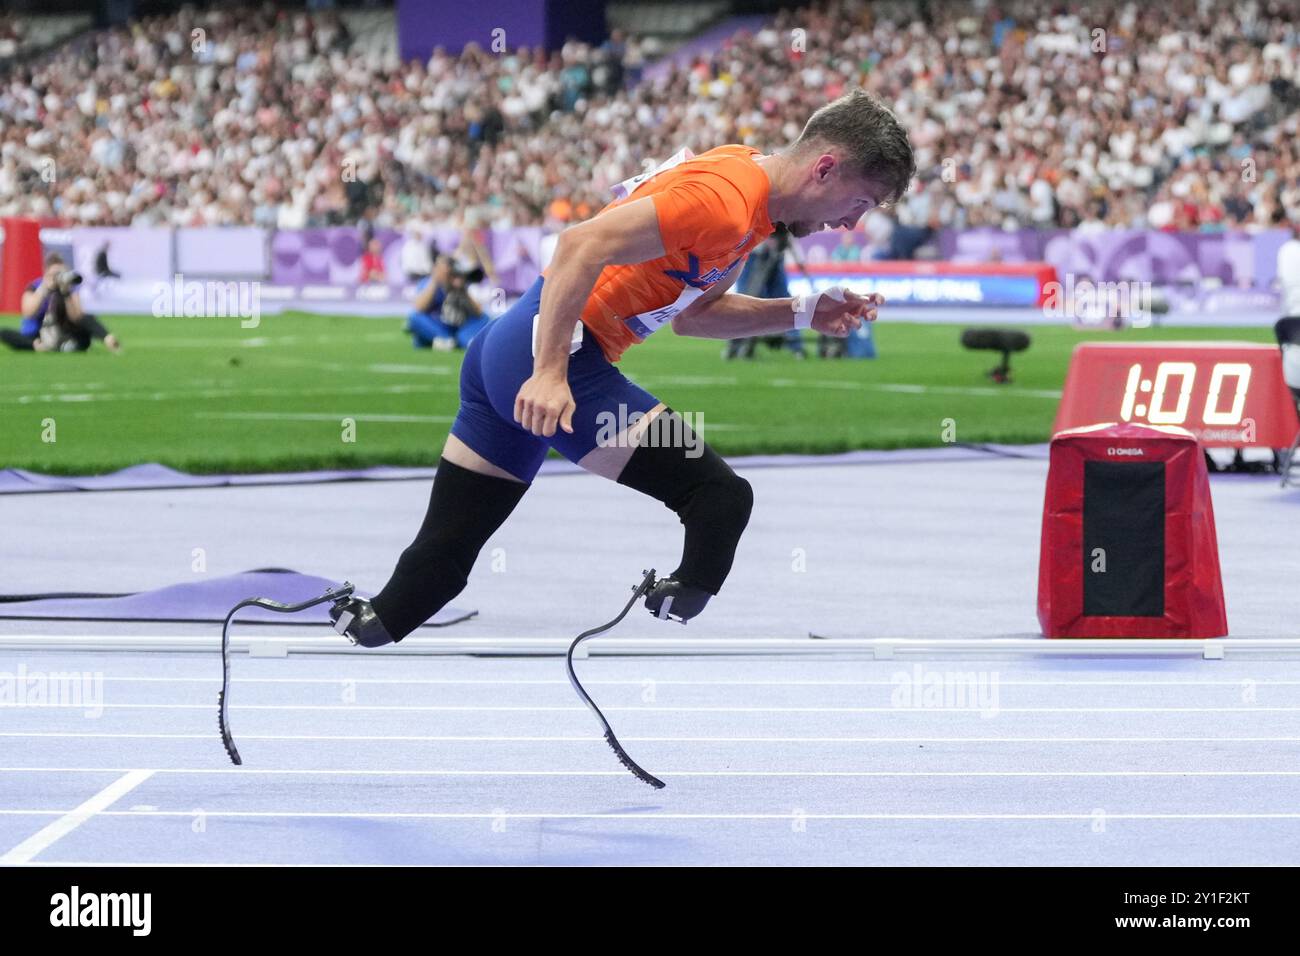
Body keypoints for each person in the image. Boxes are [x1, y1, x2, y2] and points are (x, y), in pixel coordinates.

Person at [330, 89, 914, 646]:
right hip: (554, 355)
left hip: (506, 352)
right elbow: (580, 244)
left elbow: (695, 315)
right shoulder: (726, 201)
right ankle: (668, 620)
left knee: (439, 565)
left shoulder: (747, 197)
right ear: (825, 168)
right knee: (718, 501)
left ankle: (360, 626)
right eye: (859, 203)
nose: (851, 224)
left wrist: (803, 311)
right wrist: (551, 372)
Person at [1, 253, 121, 353]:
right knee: (5, 333)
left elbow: (77, 316)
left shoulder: (69, 289)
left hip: (61, 331)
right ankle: (41, 346)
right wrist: (45, 289)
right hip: (36, 333)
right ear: (46, 273)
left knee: (86, 324)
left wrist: (66, 293)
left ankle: (107, 338)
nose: (57, 277)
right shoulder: (35, 286)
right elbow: (28, 312)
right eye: (54, 274)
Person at [724, 223, 809, 359]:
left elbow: (788, 233)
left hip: (773, 256)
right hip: (753, 257)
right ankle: (738, 346)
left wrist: (798, 259)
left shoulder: (785, 217)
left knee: (783, 302)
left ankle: (795, 346)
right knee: (747, 302)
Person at [405, 255, 491, 351]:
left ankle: (455, 341)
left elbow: (479, 311)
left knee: (484, 318)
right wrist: (435, 281)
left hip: (460, 325)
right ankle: (447, 340)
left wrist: (462, 290)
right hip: (440, 326)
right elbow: (419, 307)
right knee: (414, 317)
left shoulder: (459, 282)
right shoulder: (427, 283)